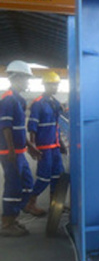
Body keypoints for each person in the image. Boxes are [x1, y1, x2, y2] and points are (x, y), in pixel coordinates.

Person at [0, 60, 40, 237]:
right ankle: (7, 223)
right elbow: (6, 127)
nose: (28, 83)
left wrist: (29, 146)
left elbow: (19, 128)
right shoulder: (8, 99)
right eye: (26, 79)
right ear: (17, 78)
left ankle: (13, 216)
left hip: (19, 151)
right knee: (13, 185)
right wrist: (10, 151)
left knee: (27, 183)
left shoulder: (18, 100)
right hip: (11, 152)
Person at [25, 71, 66, 216]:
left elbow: (56, 124)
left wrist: (60, 142)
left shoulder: (55, 103)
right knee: (44, 176)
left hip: (54, 146)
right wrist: (33, 145)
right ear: (45, 85)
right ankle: (30, 203)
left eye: (57, 85)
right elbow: (32, 126)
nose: (55, 87)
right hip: (44, 147)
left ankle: (54, 205)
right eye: (52, 85)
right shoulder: (38, 103)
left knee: (58, 175)